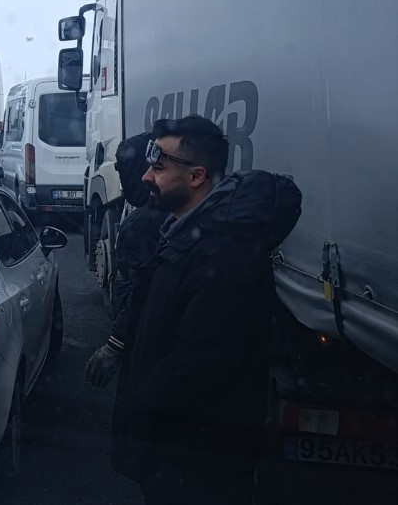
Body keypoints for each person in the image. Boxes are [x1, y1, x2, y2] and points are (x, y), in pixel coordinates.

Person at [121, 115, 302, 505]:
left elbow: (200, 362)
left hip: (197, 463)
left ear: (196, 176)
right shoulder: (188, 237)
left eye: (158, 167)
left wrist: (144, 409)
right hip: (181, 456)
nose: (147, 178)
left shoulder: (223, 255)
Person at [83, 131, 170, 476]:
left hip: (145, 352)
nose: (121, 179)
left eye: (123, 170)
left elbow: (139, 293)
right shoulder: (175, 214)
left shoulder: (140, 224)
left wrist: (115, 346)